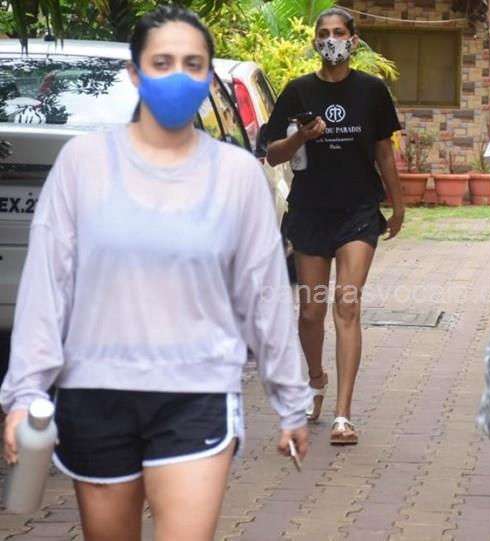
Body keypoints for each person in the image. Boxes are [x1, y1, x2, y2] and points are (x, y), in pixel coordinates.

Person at [0, 7, 309, 541]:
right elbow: (47, 287)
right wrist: (24, 393)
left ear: (209, 77)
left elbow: (265, 295)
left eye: (193, 64)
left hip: (197, 393)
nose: (177, 76)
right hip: (96, 392)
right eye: (161, 63)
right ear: (135, 73)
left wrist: (291, 401)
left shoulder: (235, 174)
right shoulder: (83, 163)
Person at [264, 8, 404, 445]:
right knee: (311, 310)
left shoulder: (372, 90)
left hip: (358, 210)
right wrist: (301, 137)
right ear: (314, 42)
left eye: (339, 33)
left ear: (354, 40)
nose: (331, 40)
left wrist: (398, 204)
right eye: (323, 33)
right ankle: (316, 379)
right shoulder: (298, 91)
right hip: (310, 210)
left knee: (346, 303)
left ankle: (344, 415)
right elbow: (272, 153)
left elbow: (384, 152)